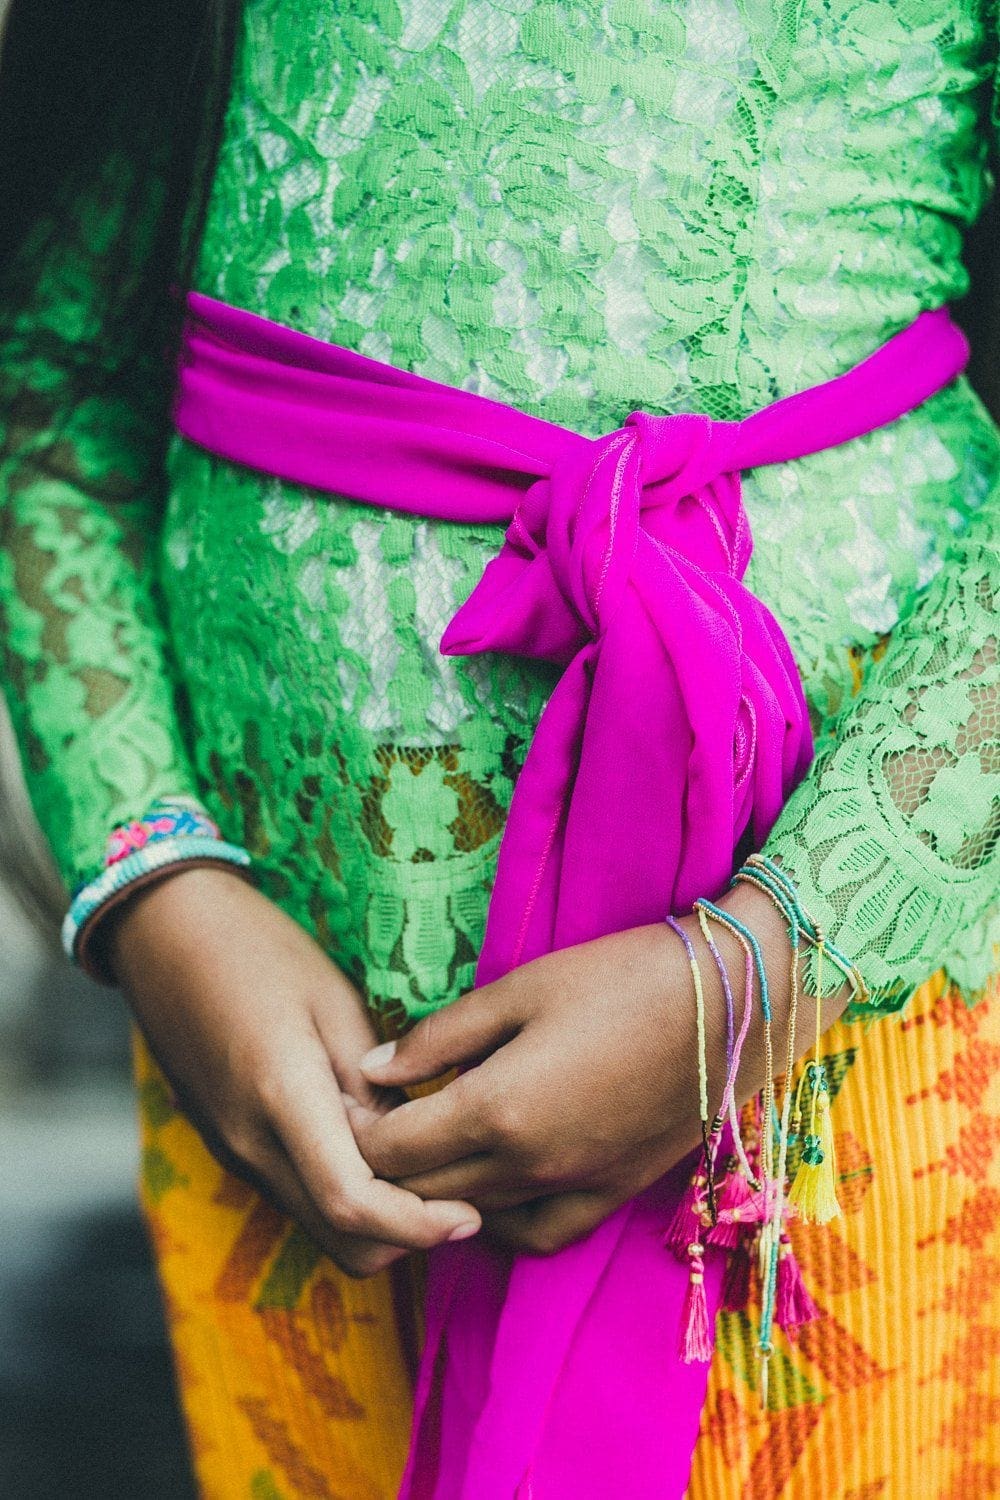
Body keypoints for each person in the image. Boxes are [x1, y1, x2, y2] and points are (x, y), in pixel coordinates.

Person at [1, 1, 998, 1495]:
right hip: (281, 1083)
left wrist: (767, 967)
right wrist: (154, 886)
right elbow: (53, 390)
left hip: (855, 1035)